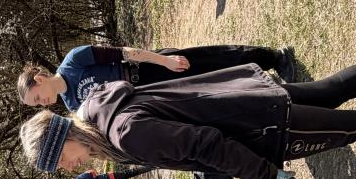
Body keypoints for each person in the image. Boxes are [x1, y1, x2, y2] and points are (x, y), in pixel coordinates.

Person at [18, 56, 356, 179]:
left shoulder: (125, 135)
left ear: (64, 138)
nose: (69, 169)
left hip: (263, 125)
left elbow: (208, 144)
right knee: (333, 88)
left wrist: (264, 176)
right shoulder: (96, 107)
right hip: (247, 99)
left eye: (60, 162)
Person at [18, 43, 296, 113]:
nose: (42, 104)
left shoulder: (74, 60)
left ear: (39, 80)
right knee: (213, 91)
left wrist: (166, 61)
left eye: (37, 98)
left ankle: (274, 58)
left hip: (148, 69)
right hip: (148, 97)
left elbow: (123, 52)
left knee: (212, 61)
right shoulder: (72, 106)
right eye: (37, 105)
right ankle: (267, 89)